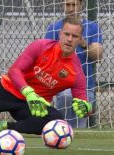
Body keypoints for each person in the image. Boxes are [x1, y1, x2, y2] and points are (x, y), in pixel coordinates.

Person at [45, 0, 103, 128]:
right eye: (67, 5)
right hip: (61, 85)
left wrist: (83, 43)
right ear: (63, 6)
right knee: (65, 96)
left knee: (80, 105)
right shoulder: (54, 28)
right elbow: (45, 57)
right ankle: (61, 129)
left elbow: (98, 56)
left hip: (85, 87)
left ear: (81, 5)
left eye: (74, 5)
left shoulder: (92, 27)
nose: (71, 8)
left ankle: (75, 133)